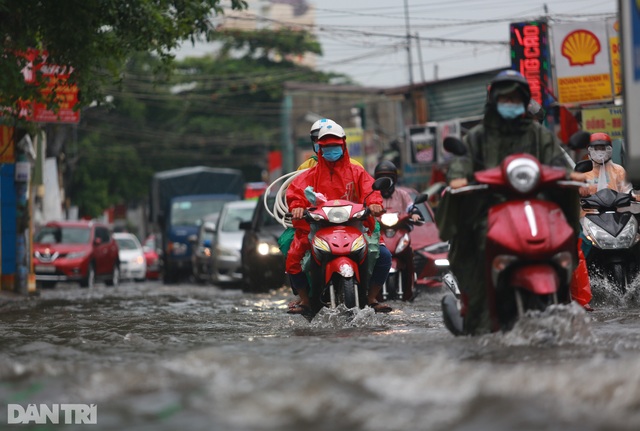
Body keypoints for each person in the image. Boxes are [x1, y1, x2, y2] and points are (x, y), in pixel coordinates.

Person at [437, 69, 583, 335]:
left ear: (525, 99)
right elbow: (461, 162)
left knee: (563, 236)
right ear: (494, 101)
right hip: (489, 208)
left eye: (516, 98)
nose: (511, 103)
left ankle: (565, 300)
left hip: (537, 205)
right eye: (505, 99)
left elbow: (557, 162)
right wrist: (459, 178)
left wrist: (570, 174)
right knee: (477, 246)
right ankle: (479, 319)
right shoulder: (478, 135)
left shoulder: (539, 135)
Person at [285, 122, 392, 315]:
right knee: (293, 256)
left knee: (384, 256)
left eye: (334, 146)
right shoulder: (310, 174)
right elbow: (295, 193)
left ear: (343, 146)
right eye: (326, 146)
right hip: (318, 227)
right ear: (320, 148)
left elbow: (370, 191)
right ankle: (305, 299)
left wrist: (375, 203)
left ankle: (371, 298)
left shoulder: (356, 171)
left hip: (355, 225)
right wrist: (298, 207)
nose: (330, 150)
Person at [373, 160, 423, 298]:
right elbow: (365, 208)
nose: (385, 182)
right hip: (379, 233)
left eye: (388, 178)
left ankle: (411, 285)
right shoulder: (372, 195)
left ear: (394, 179)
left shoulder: (402, 195)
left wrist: (415, 213)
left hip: (399, 232)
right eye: (382, 179)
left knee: (409, 254)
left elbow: (411, 207)